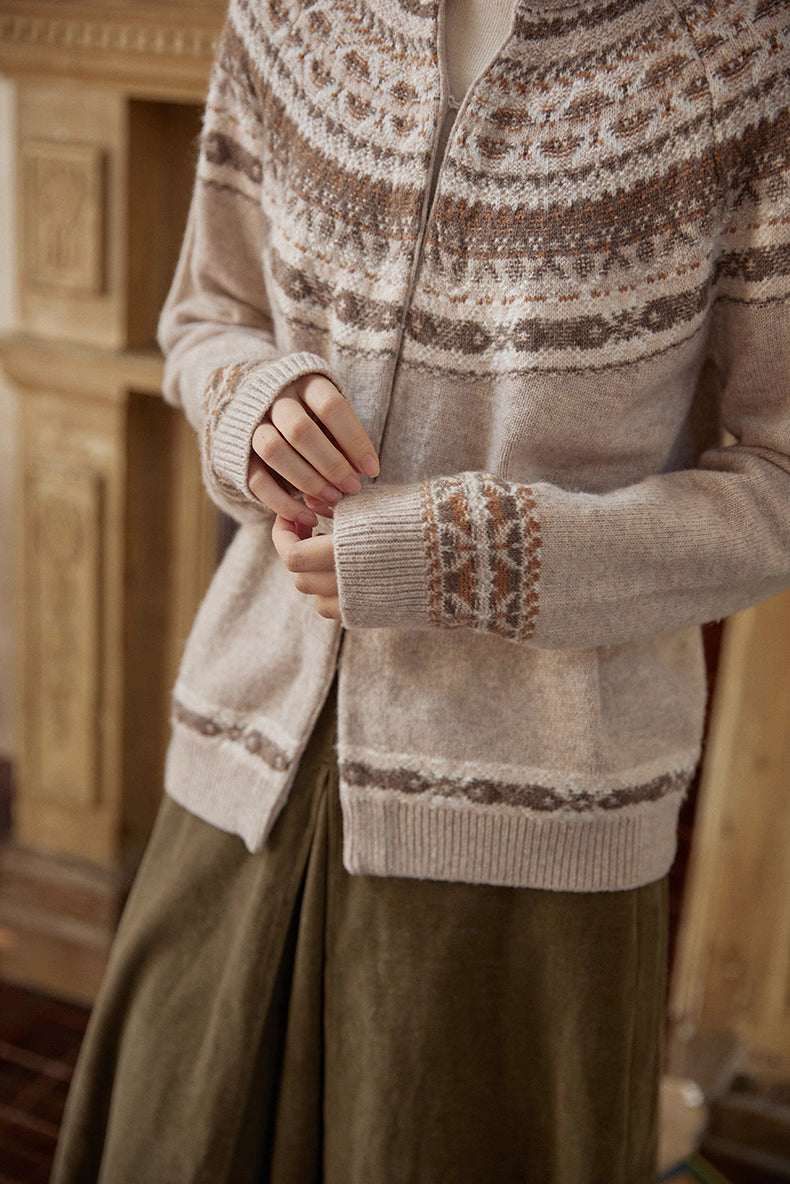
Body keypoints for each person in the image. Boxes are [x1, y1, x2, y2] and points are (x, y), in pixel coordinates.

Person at [53, 0, 790, 1180]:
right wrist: (251, 406)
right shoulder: (285, 15)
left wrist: (474, 555)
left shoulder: (743, 52)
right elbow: (206, 316)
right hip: (243, 758)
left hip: (535, 831)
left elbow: (775, 481)